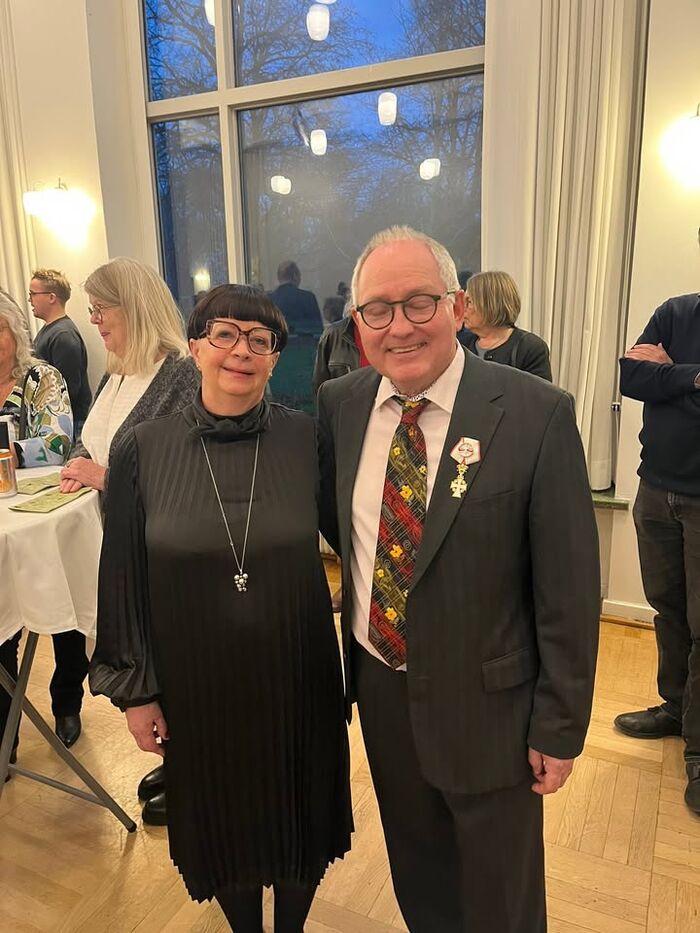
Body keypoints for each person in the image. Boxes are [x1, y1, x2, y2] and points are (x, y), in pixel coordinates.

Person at [317, 226, 600, 933]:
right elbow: (339, 528)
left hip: (493, 710)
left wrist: (559, 724)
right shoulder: (340, 405)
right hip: (384, 694)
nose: (400, 326)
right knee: (420, 879)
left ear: (459, 307)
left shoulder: (535, 412)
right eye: (378, 309)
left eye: (420, 302)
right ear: (358, 322)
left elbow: (568, 588)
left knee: (502, 900)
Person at [90, 284, 352, 931]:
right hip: (197, 683)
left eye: (261, 339)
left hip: (298, 673)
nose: (242, 350)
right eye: (225, 334)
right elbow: (122, 576)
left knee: (300, 815)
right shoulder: (142, 448)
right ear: (196, 346)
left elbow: (358, 543)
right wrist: (138, 692)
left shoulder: (306, 439)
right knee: (223, 820)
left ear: (275, 357)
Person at [57, 258, 199, 759]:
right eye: (91, 310)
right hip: (117, 552)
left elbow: (186, 480)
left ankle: (185, 766)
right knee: (143, 684)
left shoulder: (181, 375)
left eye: (101, 309)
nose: (94, 320)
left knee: (171, 677)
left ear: (134, 307)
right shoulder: (116, 374)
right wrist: (77, 466)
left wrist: (103, 479)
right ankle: (173, 762)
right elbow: (91, 437)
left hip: (159, 564)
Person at [613, 281, 700, 814]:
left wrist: (670, 375)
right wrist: (693, 377)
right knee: (667, 609)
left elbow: (654, 381)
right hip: (656, 489)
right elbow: (632, 377)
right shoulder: (675, 312)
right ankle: (676, 707)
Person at [0, 289, 73, 766]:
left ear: (15, 332)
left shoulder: (40, 378)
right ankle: (6, 736)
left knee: (60, 610)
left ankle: (67, 702)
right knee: (2, 622)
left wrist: (6, 455)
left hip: (41, 514)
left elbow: (59, 443)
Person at [30, 268, 92, 439]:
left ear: (51, 297)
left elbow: (68, 390)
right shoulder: (51, 331)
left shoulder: (63, 336)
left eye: (33, 294)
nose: (30, 299)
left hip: (67, 426)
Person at [459, 270, 553, 381]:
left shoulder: (530, 348)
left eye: (469, 302)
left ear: (491, 305)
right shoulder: (460, 345)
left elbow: (540, 391)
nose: (462, 308)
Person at [268, 260, 322, 336]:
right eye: (300, 275)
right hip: (304, 342)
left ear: (278, 278)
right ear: (295, 276)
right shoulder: (308, 298)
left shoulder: (267, 300)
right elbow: (317, 329)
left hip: (276, 342)